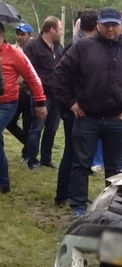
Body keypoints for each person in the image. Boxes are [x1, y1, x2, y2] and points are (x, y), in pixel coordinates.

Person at [54, 7, 122, 215]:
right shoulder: (83, 47)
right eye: (106, 25)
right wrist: (71, 102)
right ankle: (78, 204)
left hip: (116, 119)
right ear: (98, 25)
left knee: (114, 168)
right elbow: (60, 74)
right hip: (87, 117)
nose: (110, 29)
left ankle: (110, 206)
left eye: (114, 25)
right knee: (81, 163)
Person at [54, 9, 97, 206]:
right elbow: (61, 78)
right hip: (74, 109)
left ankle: (74, 191)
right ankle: (64, 193)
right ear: (96, 26)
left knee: (79, 152)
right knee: (73, 151)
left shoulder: (82, 45)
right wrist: (71, 103)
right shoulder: (78, 46)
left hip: (78, 107)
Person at [0, 22, 47, 193]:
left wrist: (41, 102)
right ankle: (4, 182)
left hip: (7, 104)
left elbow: (33, 78)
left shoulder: (15, 54)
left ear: (2, 36)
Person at [23, 16, 64, 170]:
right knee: (37, 127)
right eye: (60, 29)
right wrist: (34, 89)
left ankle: (46, 158)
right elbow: (26, 70)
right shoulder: (33, 46)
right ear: (51, 29)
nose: (61, 32)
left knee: (52, 129)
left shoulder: (58, 47)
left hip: (56, 94)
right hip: (41, 94)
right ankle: (32, 159)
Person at [6, 23, 34, 158]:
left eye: (23, 34)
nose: (19, 37)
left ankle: (28, 152)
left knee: (28, 123)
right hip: (15, 91)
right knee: (10, 122)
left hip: (29, 91)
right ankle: (29, 143)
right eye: (18, 34)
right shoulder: (12, 49)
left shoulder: (34, 49)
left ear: (30, 35)